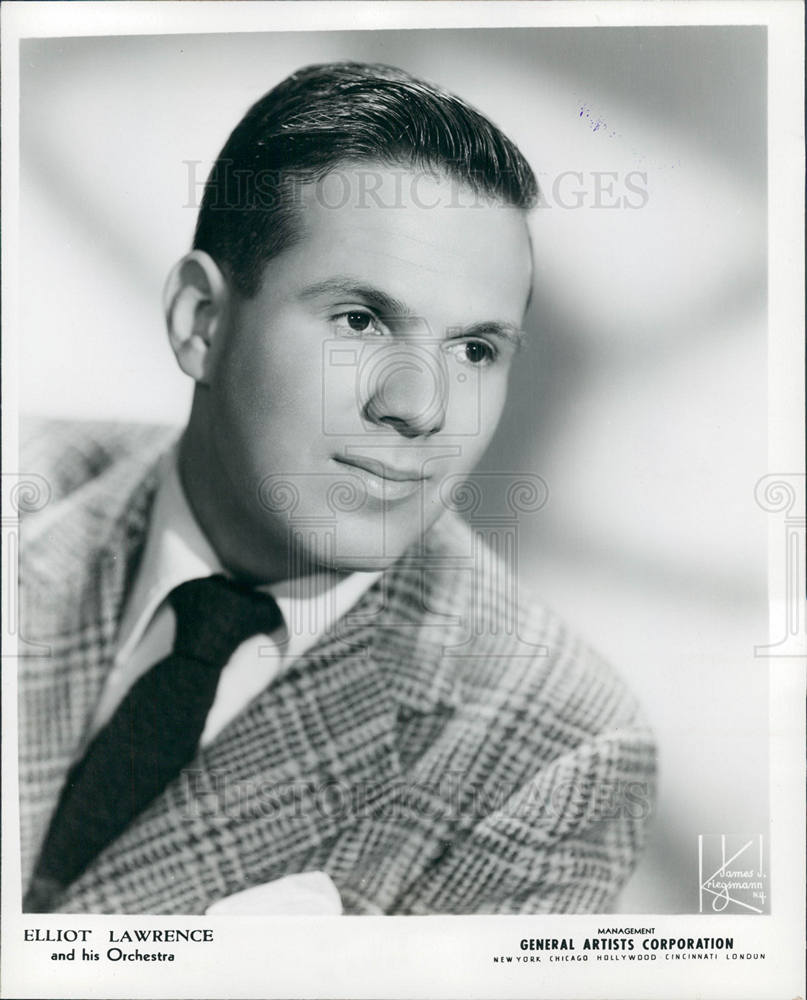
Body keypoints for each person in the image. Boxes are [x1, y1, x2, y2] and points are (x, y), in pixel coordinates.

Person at [19, 61, 655, 915]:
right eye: (360, 321)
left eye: (475, 351)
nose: (419, 408)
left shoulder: (554, 749)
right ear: (201, 322)